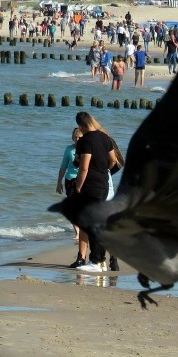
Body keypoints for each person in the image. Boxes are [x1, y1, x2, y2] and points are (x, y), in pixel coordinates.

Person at [73, 112, 118, 273]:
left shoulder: (85, 140)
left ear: (81, 126)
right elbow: (113, 160)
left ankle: (97, 261)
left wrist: (78, 186)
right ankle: (100, 261)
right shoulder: (106, 138)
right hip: (104, 183)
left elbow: (83, 167)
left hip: (90, 185)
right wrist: (103, 170)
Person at [56, 127, 84, 254]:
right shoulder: (69, 149)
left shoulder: (86, 149)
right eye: (75, 137)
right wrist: (59, 182)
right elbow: (63, 166)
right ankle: (77, 232)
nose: (77, 139)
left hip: (83, 181)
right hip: (70, 180)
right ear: (73, 137)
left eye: (79, 137)